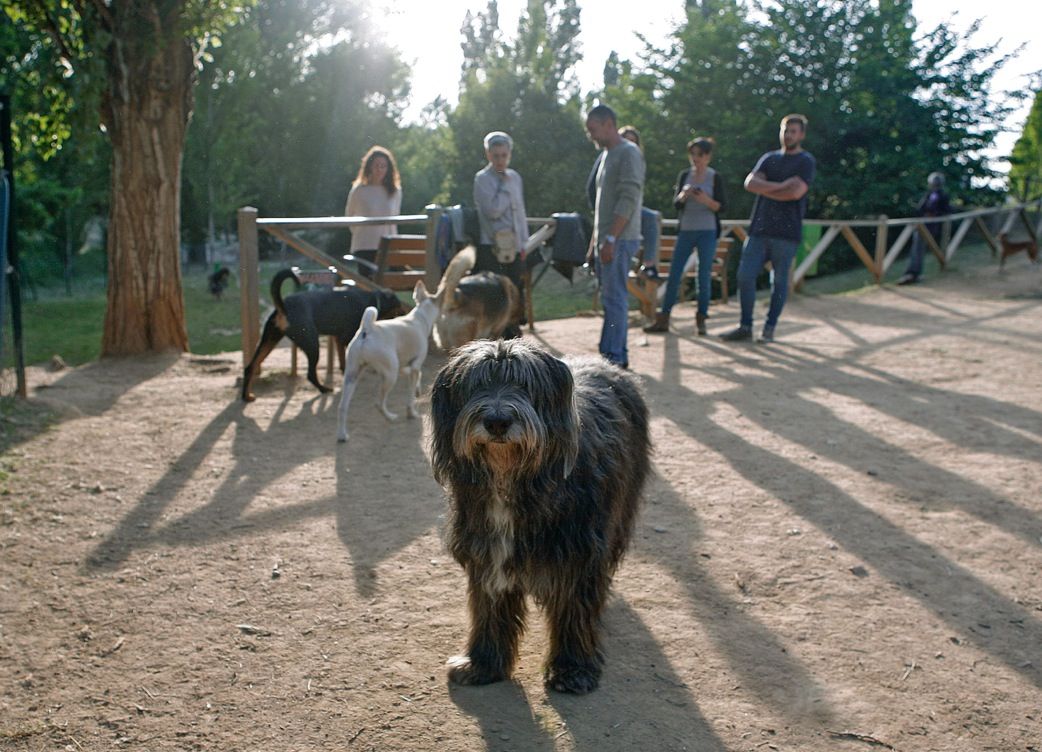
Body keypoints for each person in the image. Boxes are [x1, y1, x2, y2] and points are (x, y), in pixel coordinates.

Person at [721, 114, 815, 343]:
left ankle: (769, 327)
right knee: (744, 276)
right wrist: (782, 186)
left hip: (787, 233)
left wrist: (766, 188)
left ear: (801, 134)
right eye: (785, 130)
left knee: (779, 282)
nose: (788, 135)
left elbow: (796, 193)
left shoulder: (806, 161)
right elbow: (750, 184)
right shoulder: (769, 158)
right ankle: (745, 326)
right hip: (759, 229)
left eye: (793, 131)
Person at [645, 136, 727, 335]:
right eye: (692, 154)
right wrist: (684, 195)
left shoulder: (715, 177)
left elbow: (722, 207)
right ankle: (663, 319)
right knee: (674, 274)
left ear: (708, 156)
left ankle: (701, 319)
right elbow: (676, 204)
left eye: (699, 154)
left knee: (703, 275)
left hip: (707, 231)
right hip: (686, 230)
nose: (695, 158)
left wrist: (705, 199)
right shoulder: (684, 176)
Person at [585, 104, 646, 369]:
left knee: (615, 299)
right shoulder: (608, 155)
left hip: (619, 239)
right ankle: (613, 354)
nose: (591, 136)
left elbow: (628, 198)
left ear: (608, 123)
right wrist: (595, 243)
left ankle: (614, 359)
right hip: (608, 238)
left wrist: (611, 239)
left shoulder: (628, 153)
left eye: (593, 129)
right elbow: (602, 207)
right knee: (611, 299)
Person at [473, 131, 529, 295]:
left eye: (504, 155)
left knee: (515, 295)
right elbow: (493, 211)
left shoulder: (515, 178)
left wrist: (524, 243)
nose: (500, 160)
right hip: (492, 247)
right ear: (488, 155)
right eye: (496, 156)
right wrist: (504, 187)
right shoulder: (482, 179)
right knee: (496, 297)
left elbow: (520, 213)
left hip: (515, 246)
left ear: (509, 154)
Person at [345, 146, 402, 277]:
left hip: (388, 246)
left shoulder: (395, 191)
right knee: (368, 285)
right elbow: (350, 216)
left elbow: (395, 217)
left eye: (383, 166)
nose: (380, 170)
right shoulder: (359, 190)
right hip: (364, 246)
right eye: (376, 165)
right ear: (369, 166)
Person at [897, 172, 951, 285]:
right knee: (917, 248)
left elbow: (946, 211)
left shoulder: (942, 195)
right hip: (922, 226)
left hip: (931, 227)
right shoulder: (928, 195)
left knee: (918, 248)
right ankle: (913, 272)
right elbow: (920, 209)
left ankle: (913, 273)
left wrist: (934, 215)